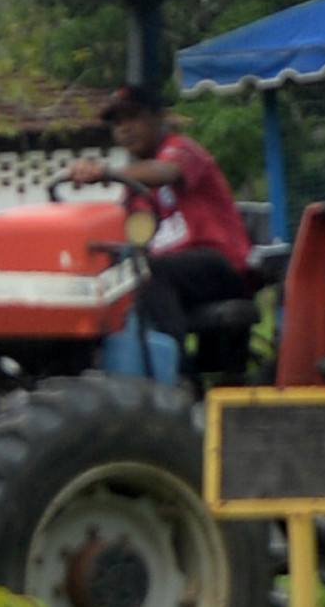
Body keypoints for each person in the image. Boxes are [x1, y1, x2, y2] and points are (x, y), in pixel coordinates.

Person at [64, 86, 256, 386]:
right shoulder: (134, 188)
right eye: (117, 123)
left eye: (133, 118)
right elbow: (133, 232)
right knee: (113, 279)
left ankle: (179, 378)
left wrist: (105, 172)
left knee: (149, 272)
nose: (125, 128)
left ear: (158, 118)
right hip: (176, 275)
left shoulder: (182, 150)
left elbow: (166, 172)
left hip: (220, 267)